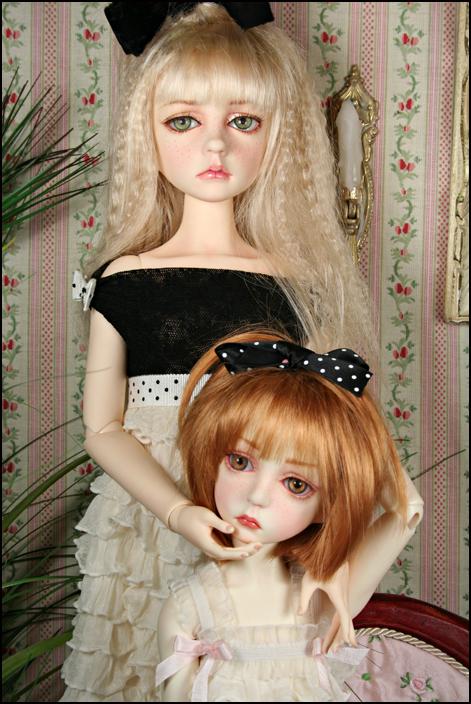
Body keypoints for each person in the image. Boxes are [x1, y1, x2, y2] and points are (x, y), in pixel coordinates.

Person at [61, 3, 377, 700]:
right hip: (147, 509)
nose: (215, 146)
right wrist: (176, 511)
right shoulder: (124, 278)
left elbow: (326, 427)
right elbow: (102, 427)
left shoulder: (296, 281)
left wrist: (332, 555)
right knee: (144, 662)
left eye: (243, 122)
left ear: (276, 136)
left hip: (258, 505)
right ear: (147, 133)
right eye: (183, 121)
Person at [156, 332, 423, 702]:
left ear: (327, 507)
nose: (257, 496)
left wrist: (353, 422)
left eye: (296, 484)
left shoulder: (322, 598)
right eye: (240, 462)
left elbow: (407, 510)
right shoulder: (190, 606)